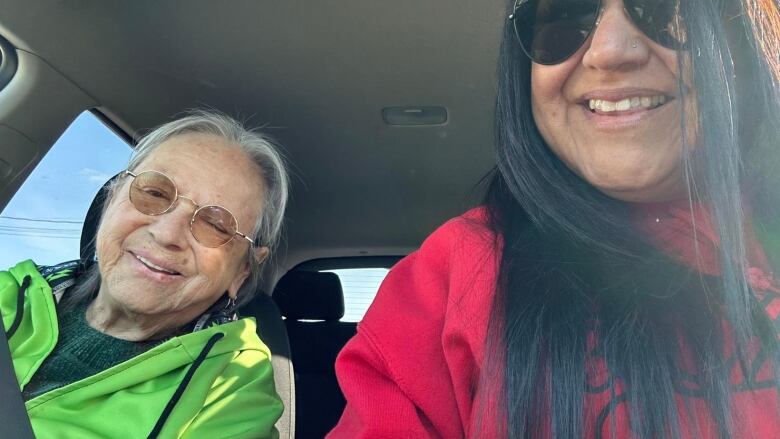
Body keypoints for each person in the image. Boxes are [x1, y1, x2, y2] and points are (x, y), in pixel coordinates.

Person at [329, 0, 780, 437]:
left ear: (740, 36)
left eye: (665, 9)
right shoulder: (450, 280)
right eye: (565, 17)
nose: (609, 51)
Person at [1, 111, 289, 438]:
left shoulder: (232, 391)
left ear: (242, 270)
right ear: (110, 200)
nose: (167, 234)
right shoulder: (11, 292)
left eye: (216, 225)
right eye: (154, 192)